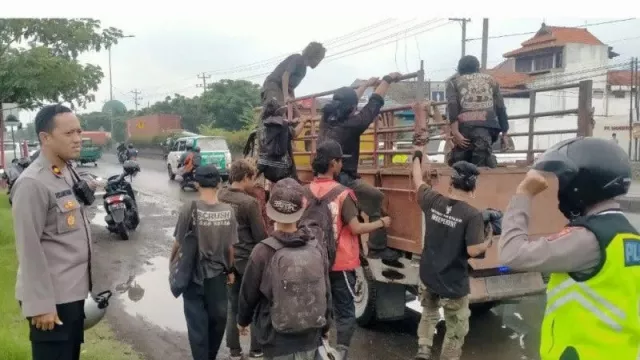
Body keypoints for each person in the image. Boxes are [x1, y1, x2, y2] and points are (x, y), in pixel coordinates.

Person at [498, 137, 640, 360]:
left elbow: (511, 254)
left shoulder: (588, 238)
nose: (561, 191)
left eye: (564, 182)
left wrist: (524, 194)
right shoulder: (629, 237)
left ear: (581, 185)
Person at [10, 104, 93, 360]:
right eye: (69, 133)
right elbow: (29, 248)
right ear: (45, 138)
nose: (78, 139)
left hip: (73, 294)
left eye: (78, 132)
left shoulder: (66, 171)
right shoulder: (32, 183)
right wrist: (41, 306)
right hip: (52, 301)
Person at [306, 139, 391, 359]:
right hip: (341, 264)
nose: (341, 165)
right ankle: (341, 353)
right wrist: (382, 222)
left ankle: (320, 350)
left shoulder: (304, 192)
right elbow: (356, 227)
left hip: (312, 260)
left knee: (319, 309)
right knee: (345, 312)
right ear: (333, 164)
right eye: (340, 161)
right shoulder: (344, 193)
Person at [410, 146, 491, 360]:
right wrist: (488, 243)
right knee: (456, 328)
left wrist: (417, 156)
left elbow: (418, 181)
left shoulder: (433, 200)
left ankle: (424, 349)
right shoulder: (472, 216)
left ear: (450, 183)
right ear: (473, 189)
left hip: (429, 276)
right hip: (453, 283)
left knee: (429, 312)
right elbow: (473, 250)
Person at [238, 178, 332, 360]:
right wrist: (326, 326)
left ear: (269, 211)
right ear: (301, 210)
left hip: (276, 341)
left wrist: (243, 321)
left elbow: (248, 295)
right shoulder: (316, 247)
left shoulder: (263, 251)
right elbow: (325, 291)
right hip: (311, 336)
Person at [318, 72, 403, 261]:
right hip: (343, 178)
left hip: (325, 175)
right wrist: (387, 80)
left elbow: (350, 102)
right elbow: (374, 104)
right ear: (351, 108)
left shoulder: (327, 120)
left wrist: (364, 85)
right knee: (377, 198)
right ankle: (377, 247)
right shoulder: (351, 125)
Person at [171, 165, 237, 360]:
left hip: (192, 276)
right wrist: (231, 270)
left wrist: (172, 264)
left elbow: (178, 243)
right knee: (218, 322)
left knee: (196, 326)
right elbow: (230, 248)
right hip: (217, 277)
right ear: (219, 183)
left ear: (197, 183)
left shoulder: (188, 208)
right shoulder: (228, 211)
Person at [218, 159, 268, 360]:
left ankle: (234, 350)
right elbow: (260, 237)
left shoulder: (221, 196)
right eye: (252, 178)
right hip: (248, 262)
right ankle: (256, 350)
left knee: (233, 305)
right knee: (255, 305)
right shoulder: (249, 203)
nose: (253, 183)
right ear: (246, 177)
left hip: (227, 260)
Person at [447, 55, 509, 168]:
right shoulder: (492, 80)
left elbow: (452, 106)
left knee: (460, 163)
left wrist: (455, 132)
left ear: (460, 69)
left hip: (464, 127)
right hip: (487, 126)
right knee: (482, 163)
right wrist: (504, 132)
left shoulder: (454, 83)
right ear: (477, 67)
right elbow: (500, 107)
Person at [261, 42, 326, 110]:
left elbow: (290, 90)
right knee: (277, 109)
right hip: (273, 85)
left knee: (293, 113)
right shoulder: (297, 58)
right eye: (319, 59)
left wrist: (296, 108)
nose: (319, 62)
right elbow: (285, 76)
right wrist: (286, 97)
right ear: (313, 55)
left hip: (283, 92)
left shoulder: (303, 71)